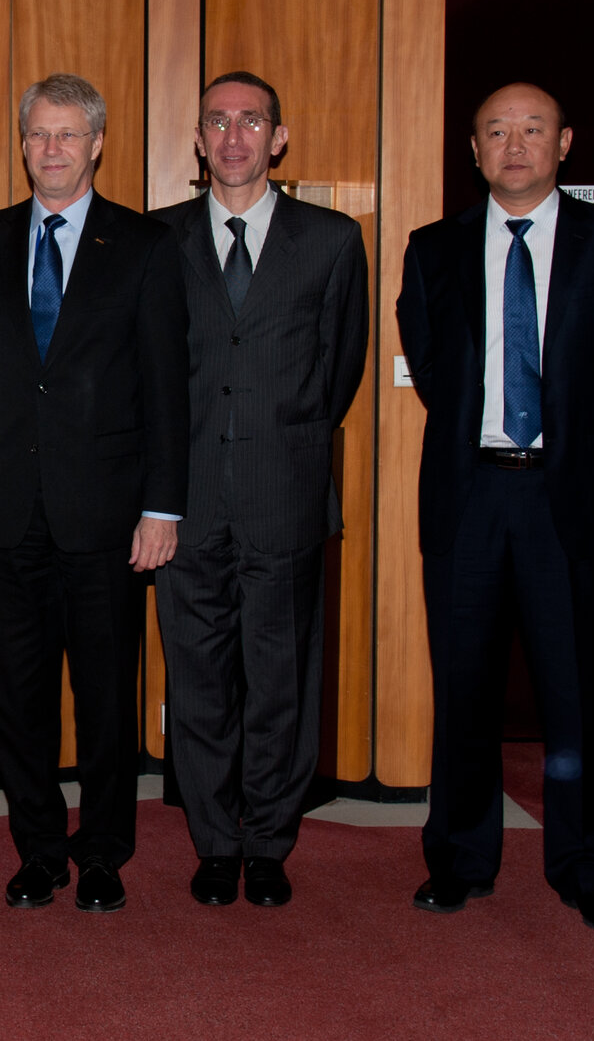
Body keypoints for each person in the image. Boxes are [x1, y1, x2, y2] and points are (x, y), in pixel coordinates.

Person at [396, 82, 594, 933]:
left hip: (568, 501)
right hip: (470, 495)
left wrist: (575, 448)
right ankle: (460, 859)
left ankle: (586, 866)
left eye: (533, 129)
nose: (515, 145)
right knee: (465, 688)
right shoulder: (433, 249)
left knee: (576, 693)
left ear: (566, 142)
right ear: (473, 151)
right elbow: (434, 367)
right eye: (496, 131)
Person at [0, 72, 188, 914]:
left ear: (96, 144)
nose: (49, 150)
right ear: (23, 145)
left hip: (109, 516)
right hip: (7, 512)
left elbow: (167, 386)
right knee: (18, 699)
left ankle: (102, 856)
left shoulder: (146, 245)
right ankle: (40, 852)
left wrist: (164, 507)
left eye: (66, 136)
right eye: (36, 135)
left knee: (103, 698)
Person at [147, 71, 368, 907]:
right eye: (217, 121)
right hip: (185, 501)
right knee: (197, 679)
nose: (234, 136)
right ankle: (213, 842)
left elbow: (337, 371)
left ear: (278, 137)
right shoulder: (155, 239)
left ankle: (269, 842)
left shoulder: (332, 240)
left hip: (286, 493)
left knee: (281, 680)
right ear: (198, 141)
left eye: (251, 121)